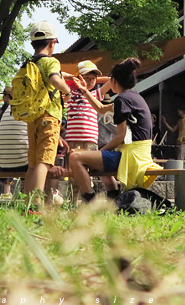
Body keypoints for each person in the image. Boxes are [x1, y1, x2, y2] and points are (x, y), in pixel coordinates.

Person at [69, 57, 163, 203]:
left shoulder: (121, 100)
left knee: (75, 158)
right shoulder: (134, 97)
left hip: (131, 156)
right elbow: (100, 109)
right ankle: (114, 197)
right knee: (98, 161)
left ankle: (90, 201)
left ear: (113, 80)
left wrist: (100, 152)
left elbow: (120, 136)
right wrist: (84, 91)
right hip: (140, 154)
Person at [20, 22, 72, 198]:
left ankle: (27, 203)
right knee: (45, 161)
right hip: (49, 116)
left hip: (32, 117)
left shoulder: (27, 64)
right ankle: (36, 204)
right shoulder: (52, 61)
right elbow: (56, 80)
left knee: (33, 164)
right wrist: (68, 91)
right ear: (52, 43)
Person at [63, 60, 113, 151]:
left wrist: (95, 79)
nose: (90, 81)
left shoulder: (95, 95)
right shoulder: (69, 93)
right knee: (73, 164)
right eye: (87, 78)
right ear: (79, 78)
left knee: (90, 164)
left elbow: (111, 80)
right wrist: (73, 78)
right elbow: (59, 75)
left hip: (90, 138)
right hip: (72, 139)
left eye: (93, 78)